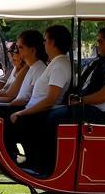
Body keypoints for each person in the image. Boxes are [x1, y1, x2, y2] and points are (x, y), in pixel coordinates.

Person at [9, 25, 73, 171]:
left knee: (8, 120)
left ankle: (34, 163)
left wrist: (21, 113)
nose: (43, 44)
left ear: (52, 43)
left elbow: (50, 100)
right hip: (36, 111)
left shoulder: (59, 66)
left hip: (42, 113)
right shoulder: (55, 64)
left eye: (45, 40)